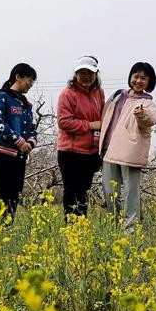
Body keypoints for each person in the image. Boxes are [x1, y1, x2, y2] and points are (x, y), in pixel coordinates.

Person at [99, 62, 156, 232]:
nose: (138, 81)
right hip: (109, 149)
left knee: (131, 192)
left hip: (130, 151)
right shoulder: (118, 96)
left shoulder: (147, 103)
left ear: (149, 82)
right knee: (110, 191)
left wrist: (141, 115)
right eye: (136, 76)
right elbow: (105, 115)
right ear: (130, 77)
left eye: (143, 78)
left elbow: (151, 119)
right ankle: (116, 224)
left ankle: (130, 229)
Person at [0, 63, 38, 224]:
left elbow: (33, 129)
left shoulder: (26, 105)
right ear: (18, 77)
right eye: (29, 79)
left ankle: (5, 228)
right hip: (0, 153)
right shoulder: (2, 96)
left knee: (14, 194)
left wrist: (29, 143)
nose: (31, 84)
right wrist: (18, 141)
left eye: (33, 81)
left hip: (19, 157)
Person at [56, 56, 105, 218]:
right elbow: (64, 122)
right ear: (75, 74)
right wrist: (90, 125)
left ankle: (81, 227)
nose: (85, 76)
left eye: (89, 73)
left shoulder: (99, 93)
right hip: (70, 152)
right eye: (81, 72)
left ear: (96, 74)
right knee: (72, 191)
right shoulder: (67, 94)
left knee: (83, 192)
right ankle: (71, 228)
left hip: (90, 152)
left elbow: (103, 119)